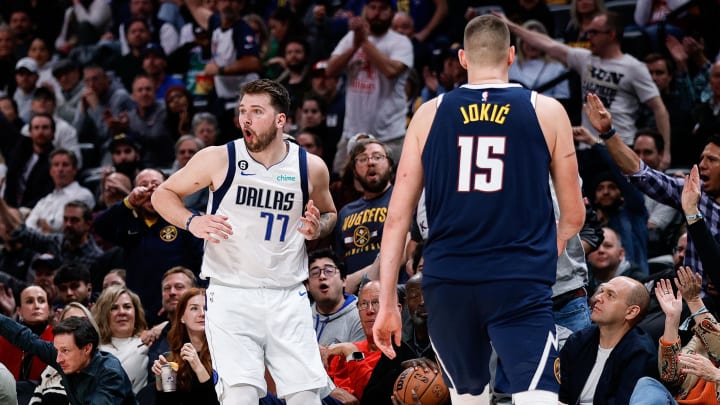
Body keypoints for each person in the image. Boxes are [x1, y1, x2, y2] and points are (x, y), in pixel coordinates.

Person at [373, 15, 585, 404]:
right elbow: (574, 214)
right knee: (538, 397)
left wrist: (388, 303)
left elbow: (397, 219)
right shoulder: (548, 110)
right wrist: (547, 247)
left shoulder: (428, 113)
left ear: (462, 59)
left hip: (449, 280)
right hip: (518, 279)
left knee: (467, 400)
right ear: (511, 56)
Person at [151, 78, 337, 404]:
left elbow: (330, 213)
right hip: (231, 291)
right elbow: (162, 195)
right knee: (240, 393)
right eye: (241, 111)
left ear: (281, 120)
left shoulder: (311, 167)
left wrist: (316, 228)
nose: (245, 120)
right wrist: (193, 221)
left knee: (305, 395)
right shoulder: (219, 158)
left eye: (256, 111)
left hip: (287, 293)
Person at [582, 92, 720, 292]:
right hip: (690, 304)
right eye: (702, 158)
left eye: (712, 160)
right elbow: (641, 174)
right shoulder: (694, 194)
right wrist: (608, 133)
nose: (702, 164)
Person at [503, 11, 673, 169]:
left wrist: (665, 151)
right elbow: (547, 43)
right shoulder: (584, 59)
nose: (587, 36)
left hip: (620, 145)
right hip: (587, 148)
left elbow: (659, 109)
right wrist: (510, 25)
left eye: (594, 33)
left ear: (611, 35)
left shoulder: (634, 67)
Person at [327, 0, 414, 174]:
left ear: (392, 13)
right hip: (352, 134)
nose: (376, 13)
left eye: (383, 9)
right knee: (339, 186)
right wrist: (354, 46)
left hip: (389, 135)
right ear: (365, 10)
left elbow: (390, 71)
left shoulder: (400, 42)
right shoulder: (351, 39)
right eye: (372, 8)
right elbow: (330, 70)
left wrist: (364, 42)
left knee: (389, 190)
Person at [630, 267, 720, 404]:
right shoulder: (707, 336)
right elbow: (671, 376)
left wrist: (716, 375)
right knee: (647, 385)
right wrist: (672, 320)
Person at [560, 276, 656, 404]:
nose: (598, 298)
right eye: (601, 291)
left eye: (610, 295)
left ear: (631, 312)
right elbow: (559, 390)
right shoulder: (579, 340)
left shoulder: (640, 353)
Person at [0, 314, 136, 404]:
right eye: (57, 350)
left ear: (87, 348)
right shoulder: (66, 356)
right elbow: (26, 338)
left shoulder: (110, 373)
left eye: (65, 351)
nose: (58, 359)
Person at [151, 288, 219, 405]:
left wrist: (198, 367)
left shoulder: (224, 355)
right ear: (182, 317)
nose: (202, 313)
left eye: (206, 308)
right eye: (194, 308)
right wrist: (160, 382)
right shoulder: (173, 359)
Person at [91, 285, 149, 394]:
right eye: (114, 308)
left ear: (135, 312)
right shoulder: (93, 349)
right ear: (104, 314)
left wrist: (157, 329)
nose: (122, 312)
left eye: (127, 307)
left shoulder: (147, 343)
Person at [306, 248, 364, 346]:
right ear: (307, 286)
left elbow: (360, 359)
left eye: (329, 271)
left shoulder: (361, 315)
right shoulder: (302, 316)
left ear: (344, 280)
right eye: (315, 273)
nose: (322, 276)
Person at [0, 285, 53, 381]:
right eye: (29, 301)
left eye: (41, 301)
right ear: (19, 311)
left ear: (48, 309)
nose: (37, 306)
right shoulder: (4, 340)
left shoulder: (58, 338)